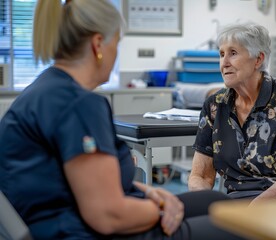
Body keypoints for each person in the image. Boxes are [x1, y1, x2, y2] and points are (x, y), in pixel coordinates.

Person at [0, 1, 242, 239]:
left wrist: (148, 192)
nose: (116, 53)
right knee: (238, 226)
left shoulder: (44, 89)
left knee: (214, 201)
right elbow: (108, 215)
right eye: (116, 43)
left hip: (66, 215)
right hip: (79, 230)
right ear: (98, 45)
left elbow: (70, 181)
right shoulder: (78, 105)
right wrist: (159, 209)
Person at [188, 22, 276, 203]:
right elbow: (200, 176)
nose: (224, 63)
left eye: (233, 53)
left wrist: (253, 210)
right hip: (240, 200)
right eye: (221, 54)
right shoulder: (215, 105)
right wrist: (206, 203)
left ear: (258, 59)